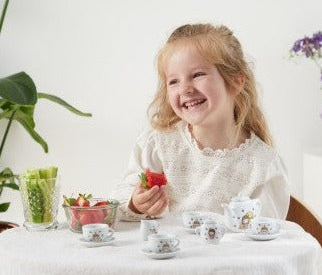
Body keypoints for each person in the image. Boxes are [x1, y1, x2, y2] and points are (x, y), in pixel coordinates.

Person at [111, 23, 290, 221]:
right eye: (173, 81)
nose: (185, 89)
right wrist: (135, 204)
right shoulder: (157, 146)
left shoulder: (262, 165)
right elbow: (118, 203)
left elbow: (267, 239)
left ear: (237, 81)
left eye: (197, 75)